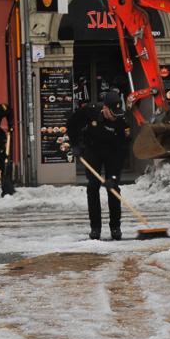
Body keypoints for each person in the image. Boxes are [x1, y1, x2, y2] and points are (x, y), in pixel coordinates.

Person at [66, 89, 130, 240]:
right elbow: (71, 123)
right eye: (112, 113)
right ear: (105, 108)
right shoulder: (90, 110)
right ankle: (95, 228)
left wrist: (113, 176)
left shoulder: (121, 121)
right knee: (93, 186)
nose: (115, 117)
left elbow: (122, 150)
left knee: (113, 187)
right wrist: (75, 145)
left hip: (113, 153)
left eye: (117, 113)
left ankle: (115, 227)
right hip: (92, 150)